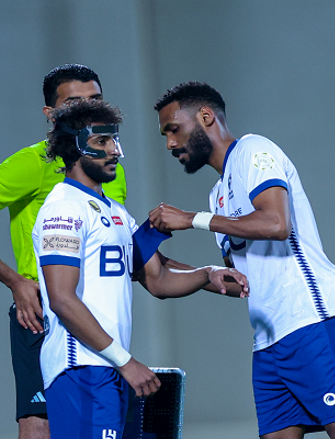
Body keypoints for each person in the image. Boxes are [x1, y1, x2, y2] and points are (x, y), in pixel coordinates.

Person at [149, 82, 335, 439]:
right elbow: (243, 279)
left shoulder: (254, 150)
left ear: (205, 117)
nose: (170, 144)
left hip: (309, 315)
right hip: (268, 338)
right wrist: (166, 266)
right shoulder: (217, 194)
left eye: (173, 129)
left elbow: (276, 224)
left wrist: (193, 219)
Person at [34, 98, 249, 439]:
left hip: (107, 367)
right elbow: (62, 299)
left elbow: (157, 279)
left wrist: (206, 275)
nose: (115, 151)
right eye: (102, 142)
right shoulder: (62, 209)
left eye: (115, 140)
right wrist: (126, 361)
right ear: (74, 148)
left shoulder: (116, 212)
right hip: (81, 368)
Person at [0, 64, 127, 439]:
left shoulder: (110, 165)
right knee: (40, 426)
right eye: (74, 101)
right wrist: (15, 282)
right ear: (50, 114)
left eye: (95, 100)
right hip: (45, 313)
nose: (87, 108)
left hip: (99, 313)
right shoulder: (32, 163)